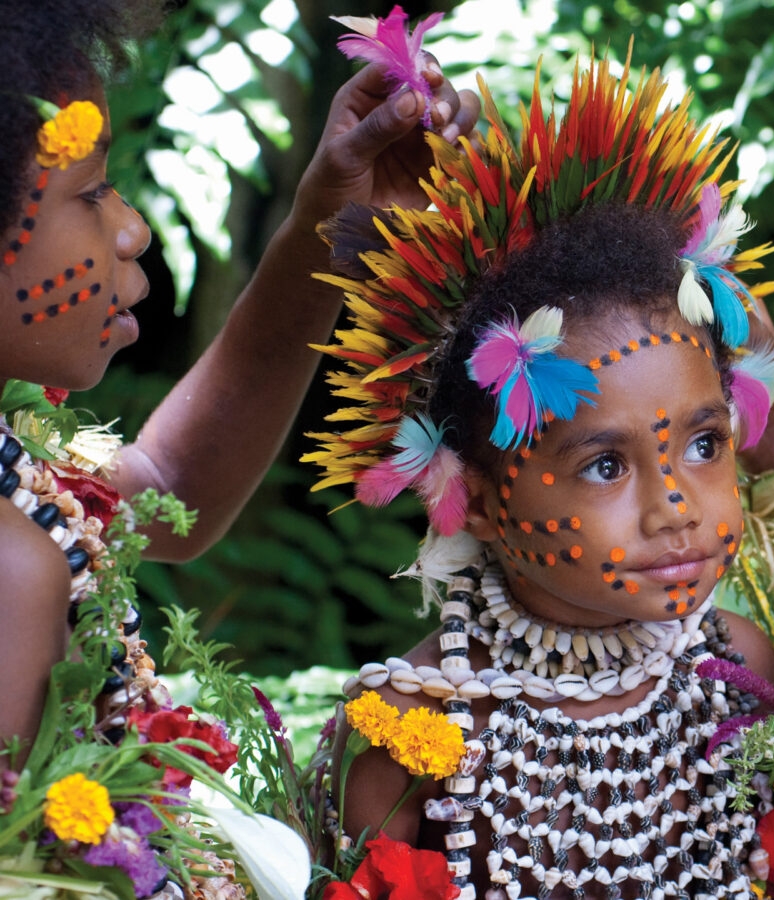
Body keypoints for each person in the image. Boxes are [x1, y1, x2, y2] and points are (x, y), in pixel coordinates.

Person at [315, 56, 774, 899]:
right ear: (474, 497)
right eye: (603, 464)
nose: (675, 509)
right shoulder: (410, 731)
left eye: (705, 446)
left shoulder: (738, 669)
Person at [0, 0, 480, 761]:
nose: (132, 229)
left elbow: (171, 484)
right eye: (91, 192)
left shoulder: (15, 473)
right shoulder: (9, 571)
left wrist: (331, 226)